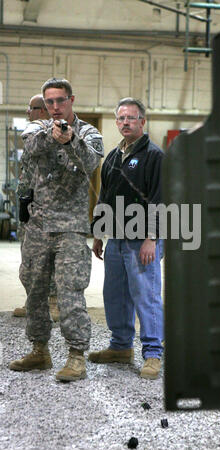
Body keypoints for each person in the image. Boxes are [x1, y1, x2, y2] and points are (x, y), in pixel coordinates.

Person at [9, 78, 104, 382]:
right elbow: (32, 146)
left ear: (71, 99)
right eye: (49, 102)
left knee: (70, 294)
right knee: (35, 293)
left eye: (60, 100)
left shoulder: (89, 132)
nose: (54, 107)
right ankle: (40, 350)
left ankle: (76, 356)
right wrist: (53, 137)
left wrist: (70, 139)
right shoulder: (38, 128)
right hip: (37, 228)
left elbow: (90, 162)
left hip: (70, 228)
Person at [88, 97, 164, 380]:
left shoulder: (154, 156)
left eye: (131, 118)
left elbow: (160, 200)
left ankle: (153, 353)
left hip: (142, 240)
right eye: (120, 118)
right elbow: (104, 197)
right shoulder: (112, 157)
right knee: (115, 295)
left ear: (142, 122)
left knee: (146, 295)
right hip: (117, 239)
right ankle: (120, 346)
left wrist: (151, 238)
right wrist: (98, 233)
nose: (125, 123)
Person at [13, 94, 60, 322]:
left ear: (42, 111)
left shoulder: (48, 134)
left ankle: (53, 304)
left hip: (44, 208)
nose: (27, 112)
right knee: (28, 260)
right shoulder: (34, 134)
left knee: (45, 260)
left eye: (30, 108)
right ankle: (33, 301)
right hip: (27, 205)